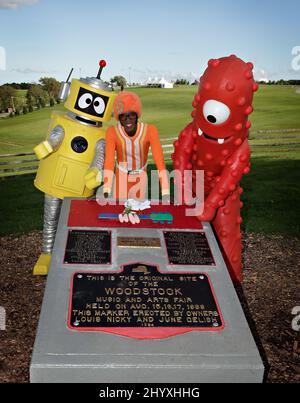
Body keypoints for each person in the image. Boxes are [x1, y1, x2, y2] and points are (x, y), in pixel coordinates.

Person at [103, 91, 169, 201]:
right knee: (119, 213)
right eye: (123, 116)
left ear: (137, 114)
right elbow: (109, 162)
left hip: (141, 177)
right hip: (121, 177)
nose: (127, 119)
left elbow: (160, 161)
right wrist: (106, 190)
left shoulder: (150, 130)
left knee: (137, 212)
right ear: (118, 118)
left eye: (131, 114)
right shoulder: (112, 132)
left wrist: (165, 191)